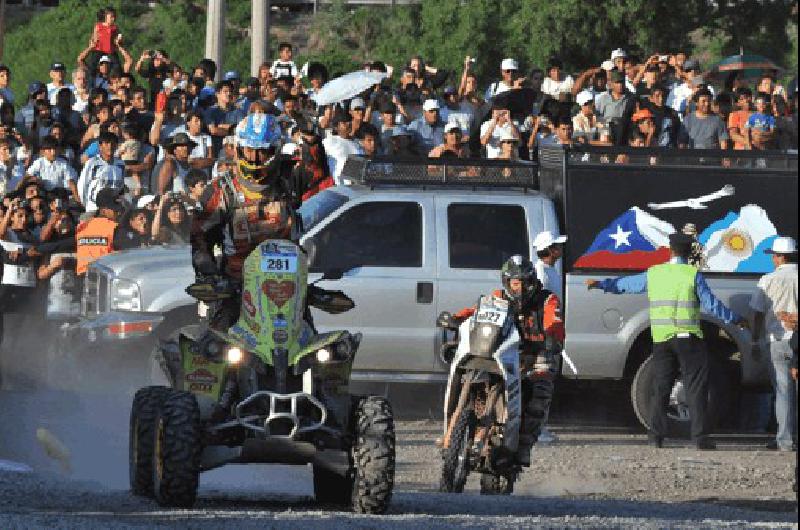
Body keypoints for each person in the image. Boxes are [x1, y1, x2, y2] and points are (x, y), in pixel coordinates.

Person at [587, 233, 746, 449]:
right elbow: (712, 305)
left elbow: (626, 285)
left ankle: (656, 436)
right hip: (688, 338)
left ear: (670, 251)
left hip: (661, 338)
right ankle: (700, 438)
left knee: (661, 386)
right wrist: (735, 319)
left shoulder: (655, 273)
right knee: (696, 386)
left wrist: (601, 284)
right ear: (690, 253)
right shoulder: (692, 275)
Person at [190, 112, 299, 334]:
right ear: (239, 149)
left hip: (286, 289)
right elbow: (199, 235)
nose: (255, 158)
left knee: (313, 343)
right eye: (250, 150)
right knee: (214, 345)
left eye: (263, 151)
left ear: (275, 150)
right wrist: (209, 273)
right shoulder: (221, 190)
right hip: (237, 287)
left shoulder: (287, 184)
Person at [453, 255, 564, 466]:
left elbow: (555, 321)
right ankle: (466, 429)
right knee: (476, 376)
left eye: (525, 283)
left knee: (539, 394)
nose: (520, 288)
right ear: (507, 282)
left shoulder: (547, 299)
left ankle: (523, 447)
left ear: (533, 281)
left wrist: (553, 337)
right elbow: (477, 311)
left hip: (537, 353)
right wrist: (456, 318)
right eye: (515, 283)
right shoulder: (497, 297)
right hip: (504, 350)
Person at [749, 237, 798, 452]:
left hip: (776, 341)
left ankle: (785, 440)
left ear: (780, 257)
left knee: (782, 391)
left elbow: (757, 313)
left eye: (773, 256)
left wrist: (754, 339)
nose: (772, 260)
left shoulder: (767, 280)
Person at [75, 187, 123, 275]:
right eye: (115, 210)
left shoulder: (81, 227)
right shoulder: (114, 227)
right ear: (103, 210)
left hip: (82, 278)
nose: (118, 213)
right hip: (104, 278)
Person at [77, 131, 124, 212]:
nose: (110, 146)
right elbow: (82, 185)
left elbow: (121, 186)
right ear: (100, 146)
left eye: (113, 143)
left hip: (113, 210)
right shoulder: (92, 163)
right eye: (106, 143)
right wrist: (87, 205)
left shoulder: (121, 164)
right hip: (94, 209)